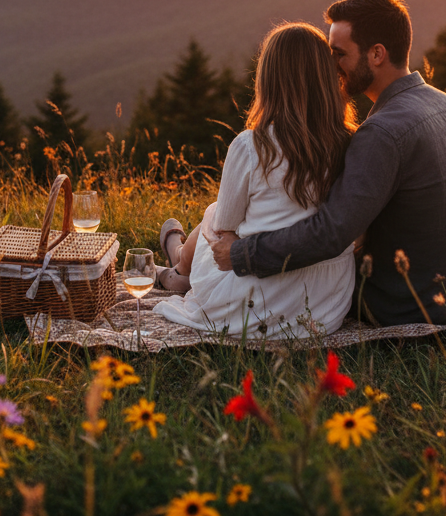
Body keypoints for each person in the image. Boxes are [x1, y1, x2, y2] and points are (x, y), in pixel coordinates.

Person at [210, 0, 446, 326]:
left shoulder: (382, 132)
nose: (329, 66)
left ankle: (181, 264)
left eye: (338, 54)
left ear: (376, 54)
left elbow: (332, 234)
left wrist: (242, 254)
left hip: (413, 301)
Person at [153, 22, 357, 338]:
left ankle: (179, 265)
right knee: (218, 217)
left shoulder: (252, 145)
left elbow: (225, 232)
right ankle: (178, 262)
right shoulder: (351, 143)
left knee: (213, 216)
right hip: (325, 304)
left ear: (269, 81)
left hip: (257, 302)